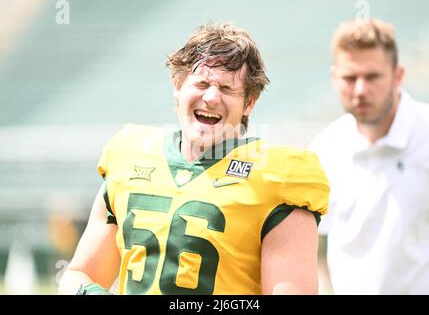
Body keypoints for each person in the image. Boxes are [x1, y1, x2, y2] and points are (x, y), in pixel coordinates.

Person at [58, 22, 329, 295]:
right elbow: (79, 274)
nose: (211, 97)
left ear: (250, 102)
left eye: (226, 89)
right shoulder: (129, 154)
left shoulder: (280, 176)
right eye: (201, 83)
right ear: (177, 86)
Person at [310, 18, 429, 294]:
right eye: (350, 78)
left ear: (398, 76)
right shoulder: (324, 149)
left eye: (372, 76)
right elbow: (315, 249)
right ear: (334, 77)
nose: (360, 90)